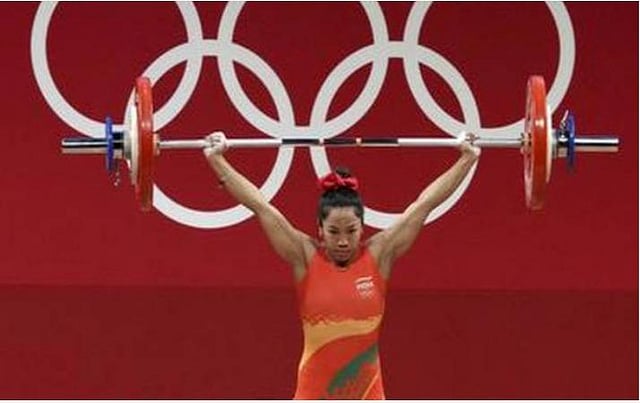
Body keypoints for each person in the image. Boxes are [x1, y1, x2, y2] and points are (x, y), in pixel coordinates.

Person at [203, 132, 480, 399]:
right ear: (320, 229)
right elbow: (259, 205)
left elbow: (425, 203)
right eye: (334, 232)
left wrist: (467, 159)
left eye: (351, 231)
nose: (343, 241)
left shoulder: (379, 255)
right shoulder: (305, 257)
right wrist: (217, 159)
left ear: (362, 227)